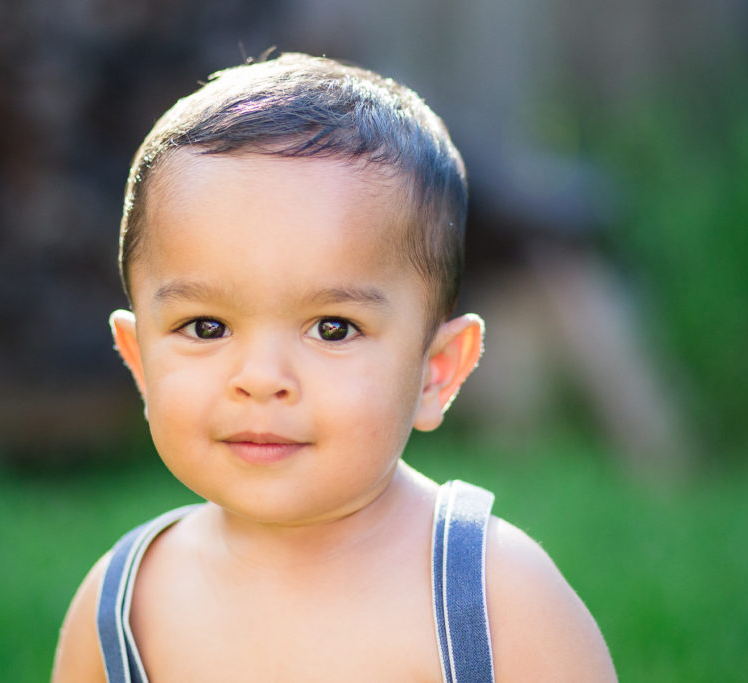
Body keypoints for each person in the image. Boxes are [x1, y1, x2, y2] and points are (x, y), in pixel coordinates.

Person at [51, 53, 616, 682]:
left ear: (436, 372)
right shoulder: (122, 608)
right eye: (206, 327)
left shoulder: (495, 601)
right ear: (140, 364)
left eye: (333, 328)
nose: (262, 377)